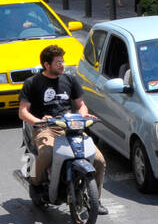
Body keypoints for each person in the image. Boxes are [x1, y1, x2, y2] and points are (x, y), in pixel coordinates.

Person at [18, 45, 107, 214]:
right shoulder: (33, 83)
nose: (62, 65)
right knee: (46, 154)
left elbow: (81, 105)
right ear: (47, 64)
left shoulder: (69, 80)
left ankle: (97, 200)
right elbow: (23, 111)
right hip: (47, 128)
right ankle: (36, 185)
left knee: (99, 160)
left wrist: (83, 116)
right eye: (58, 62)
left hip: (70, 126)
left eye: (62, 61)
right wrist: (38, 122)